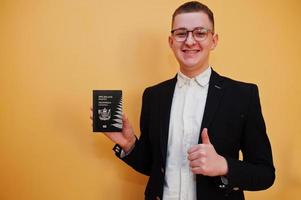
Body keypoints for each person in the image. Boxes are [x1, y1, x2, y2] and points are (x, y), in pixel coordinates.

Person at [94, 1, 275, 199]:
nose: (189, 41)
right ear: (171, 41)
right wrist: (129, 145)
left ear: (213, 40)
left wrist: (224, 165)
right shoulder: (153, 96)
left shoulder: (242, 95)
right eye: (181, 33)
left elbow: (265, 174)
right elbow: (153, 166)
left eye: (200, 32)